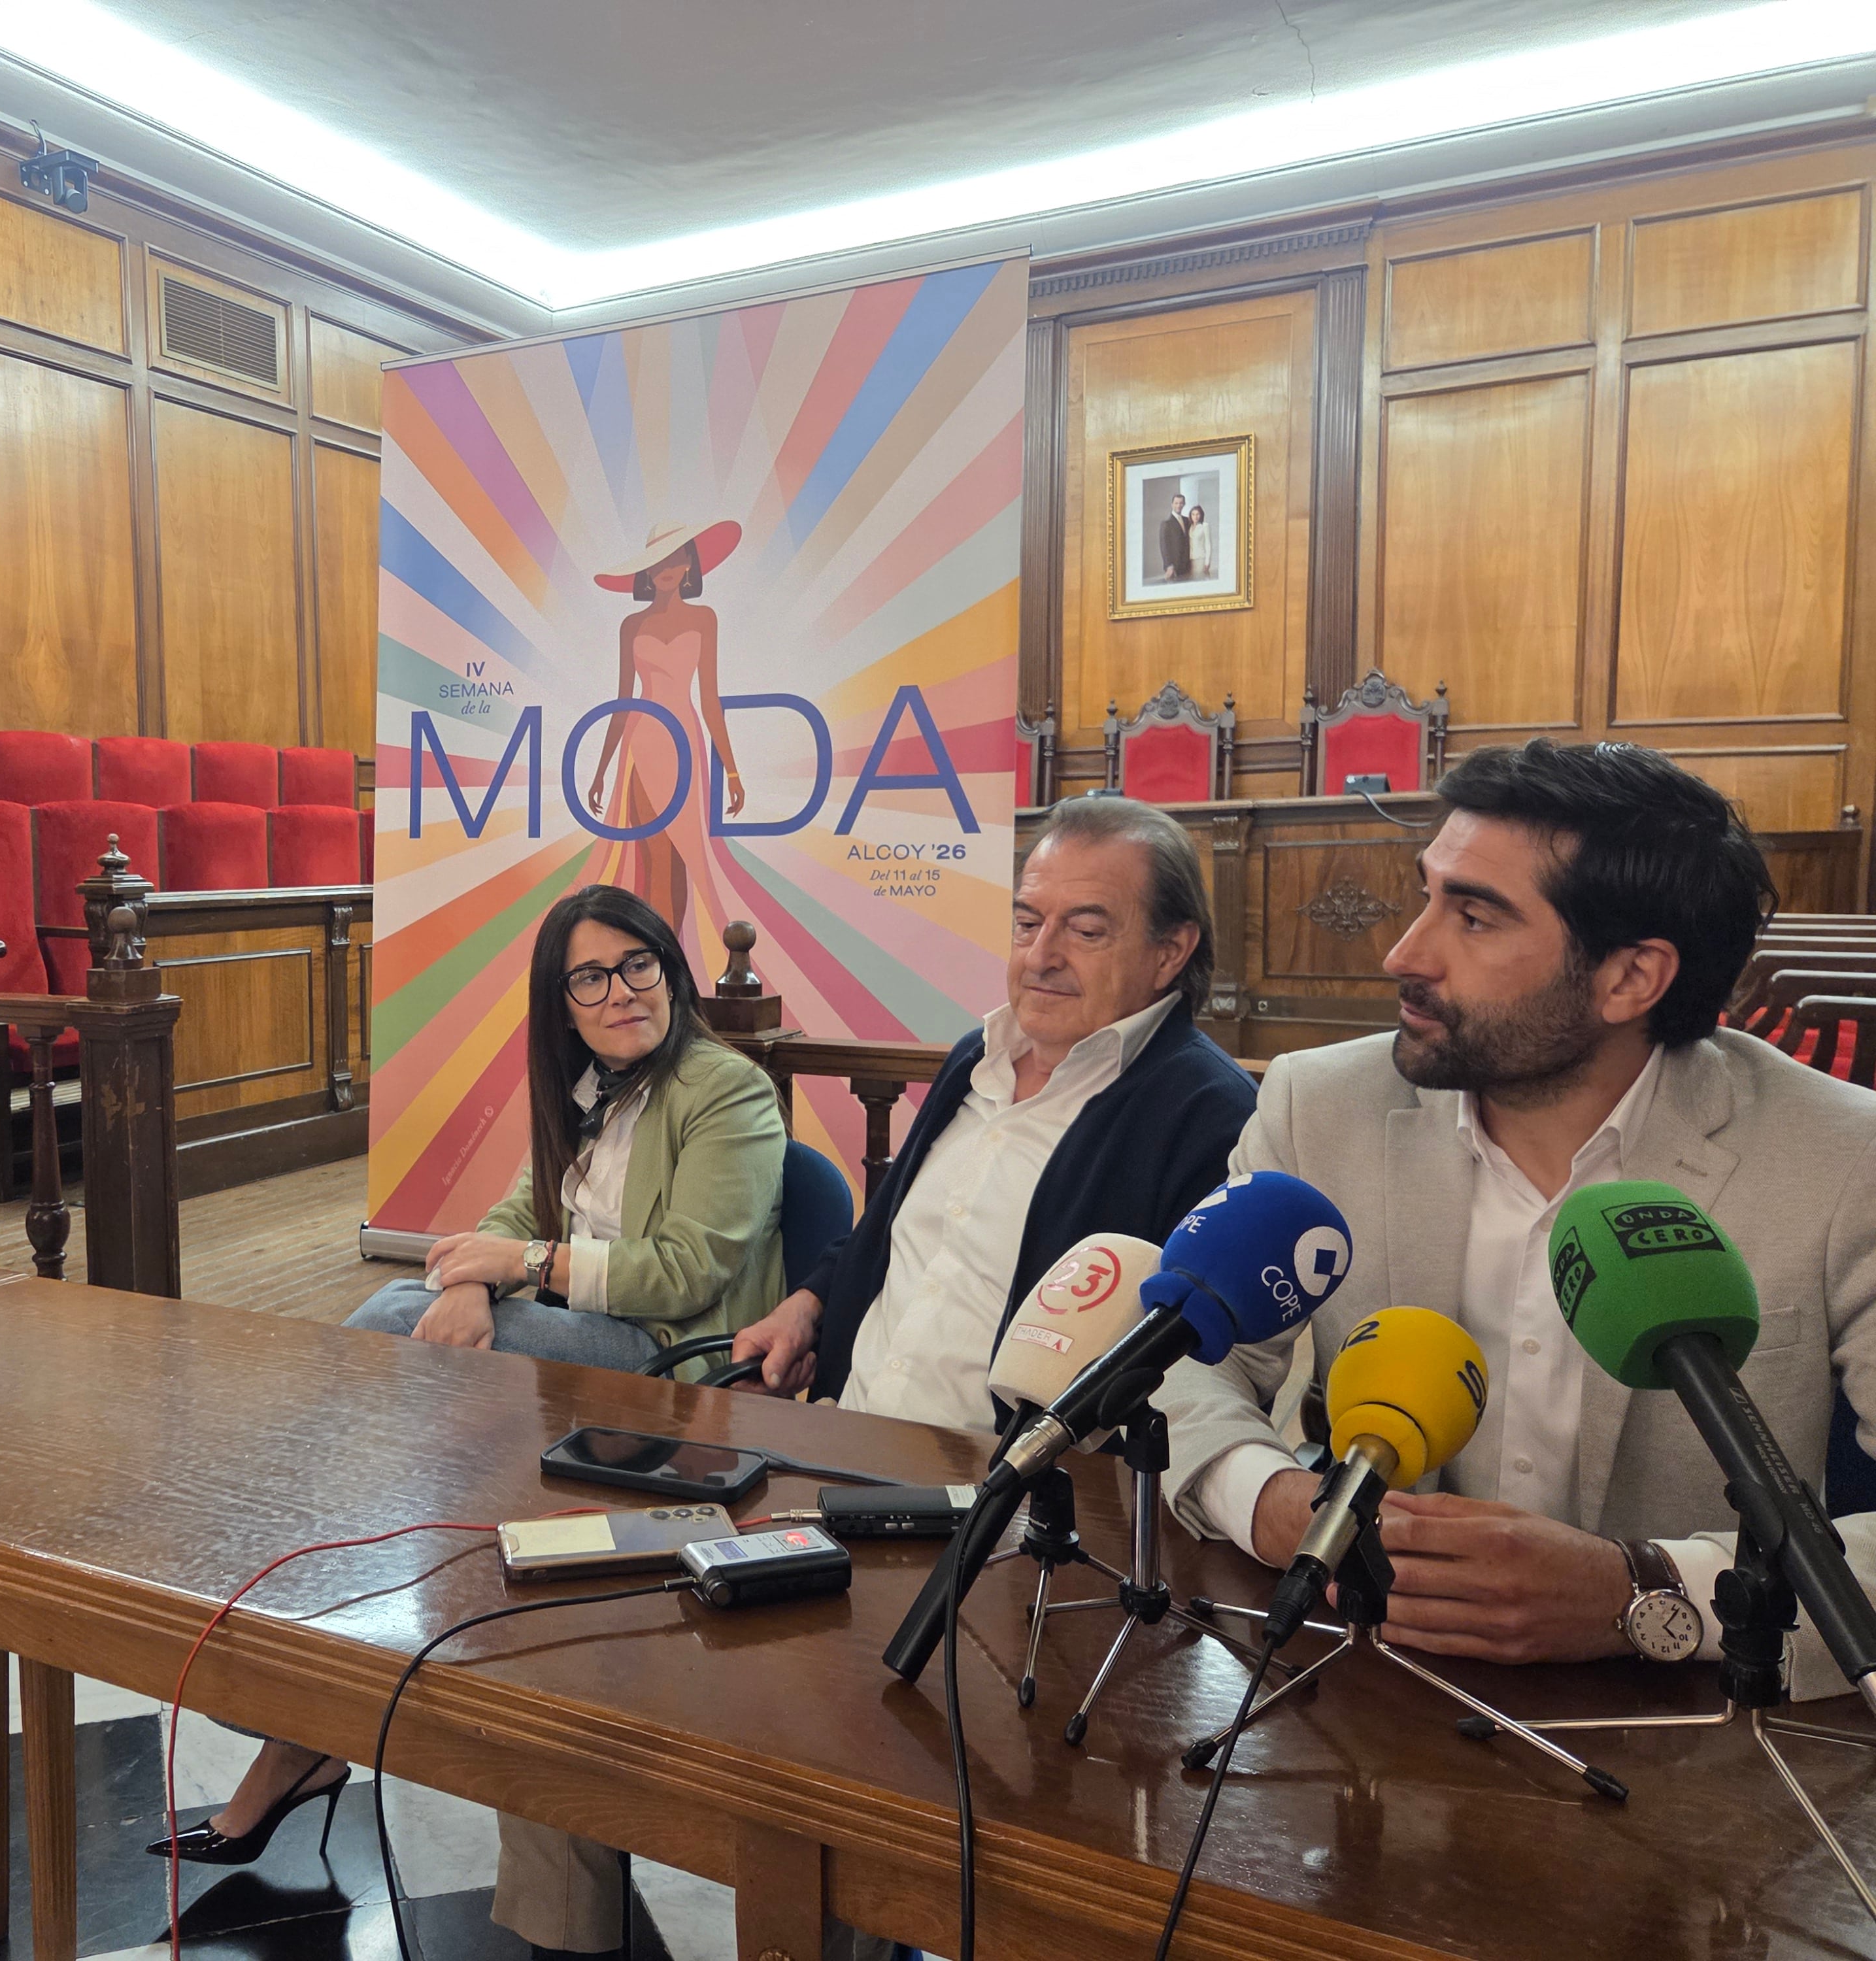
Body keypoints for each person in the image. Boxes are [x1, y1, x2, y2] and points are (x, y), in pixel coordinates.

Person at [1158, 739, 1876, 1700]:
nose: (1403, 953)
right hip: (1370, 1694)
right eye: (1427, 896)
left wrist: (1642, 1592)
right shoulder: (1316, 1105)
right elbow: (1181, 1355)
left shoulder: (1842, 1161)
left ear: (1631, 979)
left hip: (1693, 1734)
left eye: (1476, 917)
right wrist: (1274, 1501)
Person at [154, 883, 784, 1960]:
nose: (621, 991)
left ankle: (271, 1616)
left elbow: (687, 1275)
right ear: (563, 1001)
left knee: (378, 1354)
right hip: (574, 1343)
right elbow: (514, 1213)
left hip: (670, 1372)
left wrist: (515, 1270)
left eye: (638, 965)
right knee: (408, 1328)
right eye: (591, 976)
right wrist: (470, 1282)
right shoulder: (592, 1088)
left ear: (673, 974)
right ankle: (303, 1692)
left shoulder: (724, 1091)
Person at [730, 796, 1256, 1426]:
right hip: (843, 1435)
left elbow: (1194, 1373)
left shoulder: (1211, 1116)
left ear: (1170, 952)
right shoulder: (976, 1058)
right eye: (1028, 924)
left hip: (1005, 1496)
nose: (1041, 957)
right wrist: (809, 1303)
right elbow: (895, 1232)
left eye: (1086, 932)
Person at [582, 519, 747, 939]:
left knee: (684, 857)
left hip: (685, 741)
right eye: (659, 560)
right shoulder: (632, 626)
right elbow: (623, 702)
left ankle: (673, 969)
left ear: (690, 563)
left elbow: (710, 699)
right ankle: (665, 969)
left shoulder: (705, 619)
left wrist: (732, 770)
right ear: (647, 571)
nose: (668, 567)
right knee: (656, 856)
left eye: (677, 556)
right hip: (645, 740)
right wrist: (601, 769)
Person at [1159, 492, 1191, 582]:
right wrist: (1169, 565)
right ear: (1172, 504)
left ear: (1184, 504)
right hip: (1175, 566)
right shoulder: (1166, 524)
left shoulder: (1187, 520)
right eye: (1176, 503)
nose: (1179, 505)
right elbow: (1164, 547)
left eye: (1181, 503)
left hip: (1188, 564)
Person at [1187, 501, 1212, 580]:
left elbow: (1208, 544)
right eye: (1193, 514)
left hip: (1201, 558)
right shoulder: (1190, 527)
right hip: (1190, 559)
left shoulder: (1204, 526)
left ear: (1201, 515)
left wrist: (1207, 561)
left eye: (1198, 514)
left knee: (1200, 579)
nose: (1195, 517)